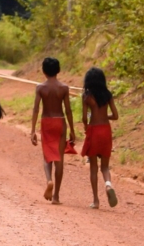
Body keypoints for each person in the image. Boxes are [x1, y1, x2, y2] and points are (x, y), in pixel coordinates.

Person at [30, 56, 76, 205]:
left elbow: (36, 109)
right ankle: (56, 197)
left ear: (43, 71)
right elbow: (68, 110)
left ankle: (49, 180)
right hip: (60, 122)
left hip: (46, 122)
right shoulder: (63, 88)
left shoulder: (40, 88)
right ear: (58, 70)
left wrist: (32, 130)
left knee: (47, 156)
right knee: (59, 158)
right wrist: (72, 130)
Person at [81, 67, 119, 209]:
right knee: (105, 166)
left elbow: (84, 117)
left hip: (94, 131)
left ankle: (96, 201)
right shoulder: (107, 95)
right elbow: (115, 115)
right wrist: (105, 116)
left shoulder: (86, 96)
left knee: (93, 168)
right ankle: (108, 185)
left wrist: (86, 125)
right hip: (106, 131)